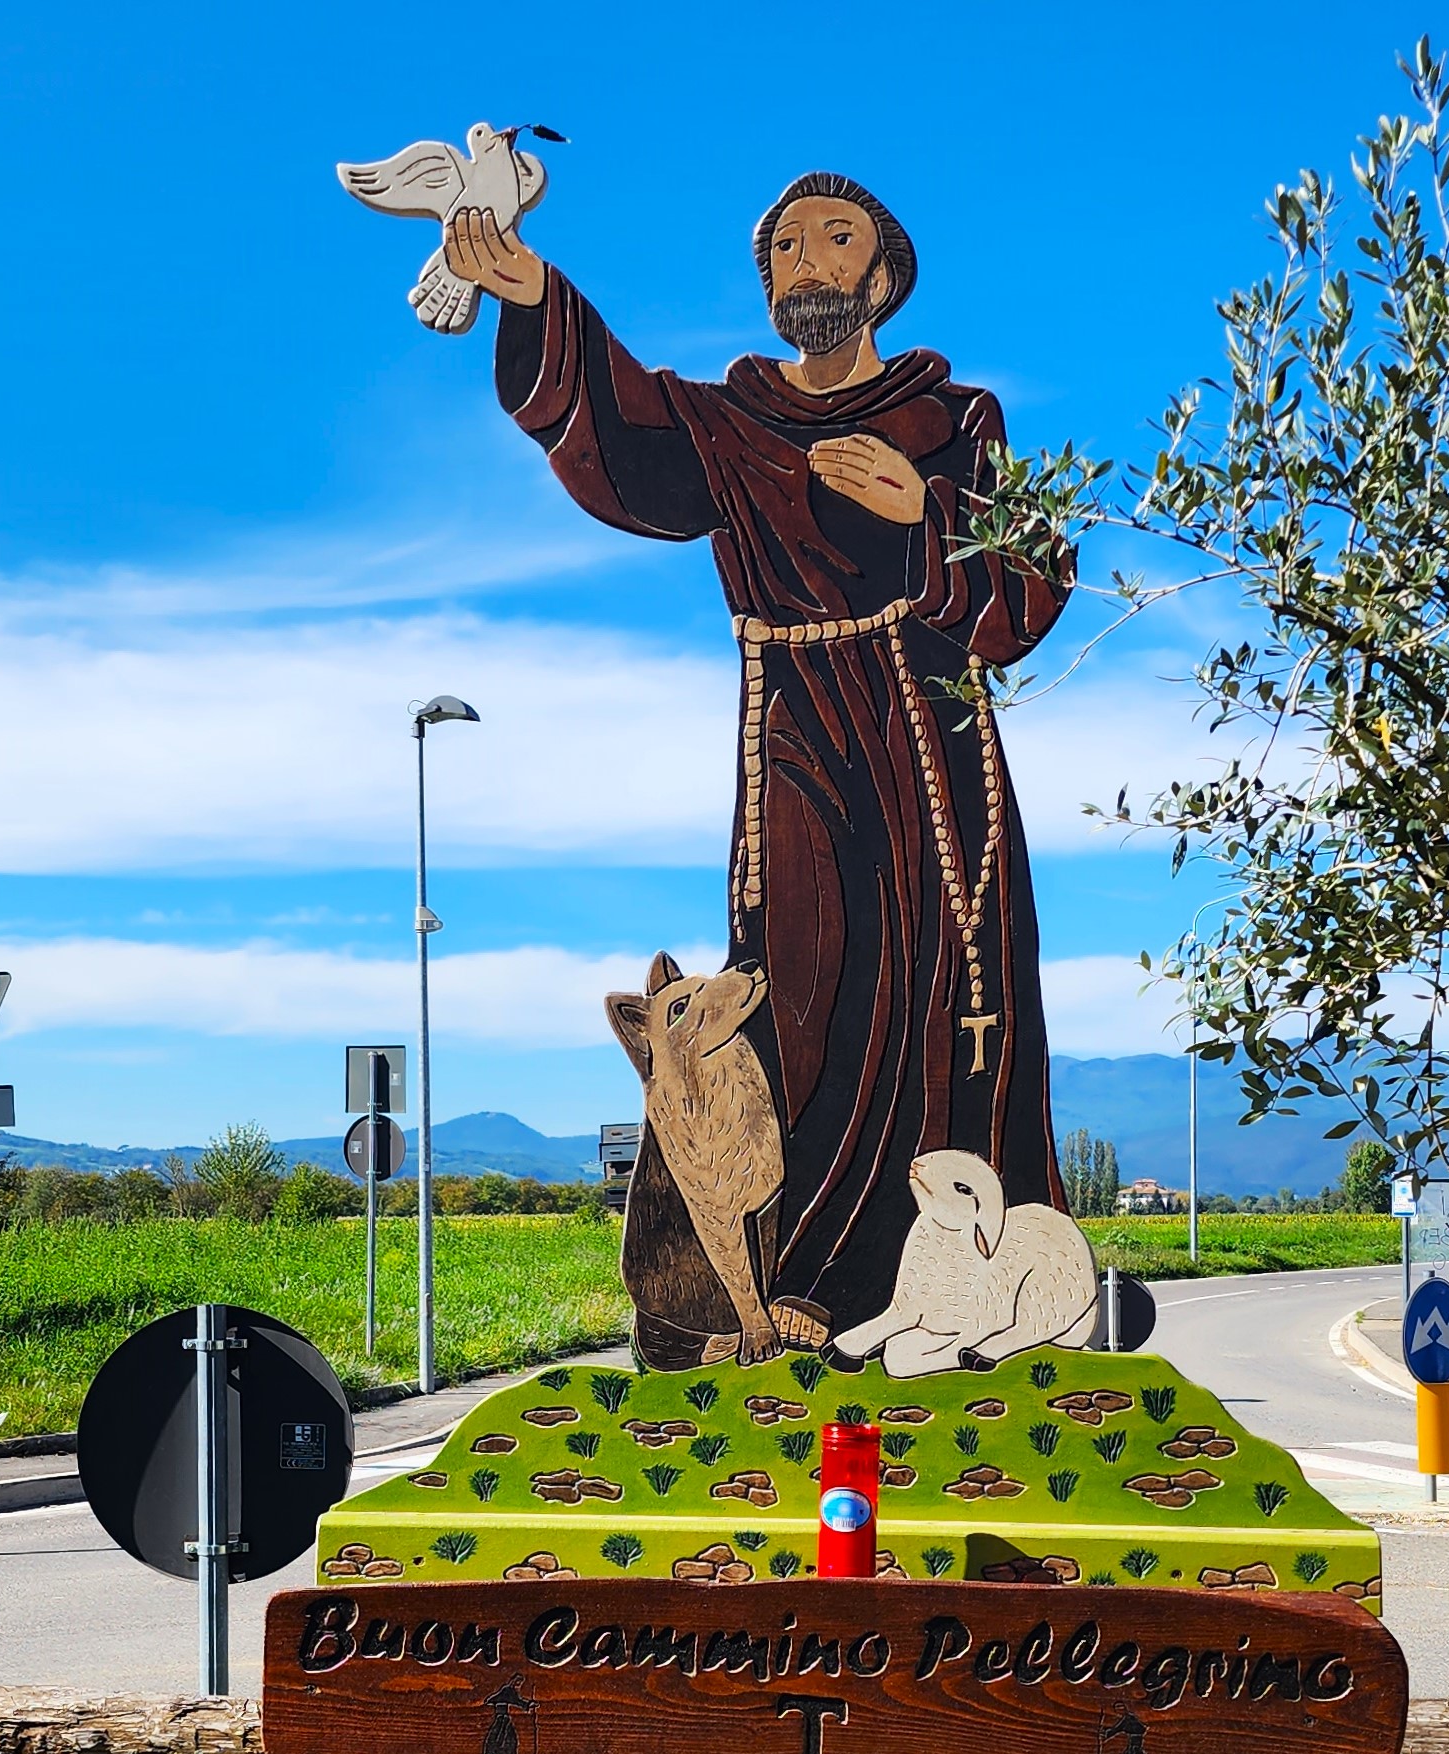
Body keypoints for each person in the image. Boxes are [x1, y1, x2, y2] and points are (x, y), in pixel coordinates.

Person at [446, 173, 1070, 1347]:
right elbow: (624, 433)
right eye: (784, 244)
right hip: (793, 730)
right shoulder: (730, 425)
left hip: (925, 736)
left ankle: (957, 1294)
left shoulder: (955, 419)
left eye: (836, 237)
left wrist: (918, 513)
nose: (807, 259)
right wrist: (533, 293)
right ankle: (781, 1291)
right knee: (794, 986)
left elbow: (1029, 587)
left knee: (939, 992)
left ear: (883, 272)